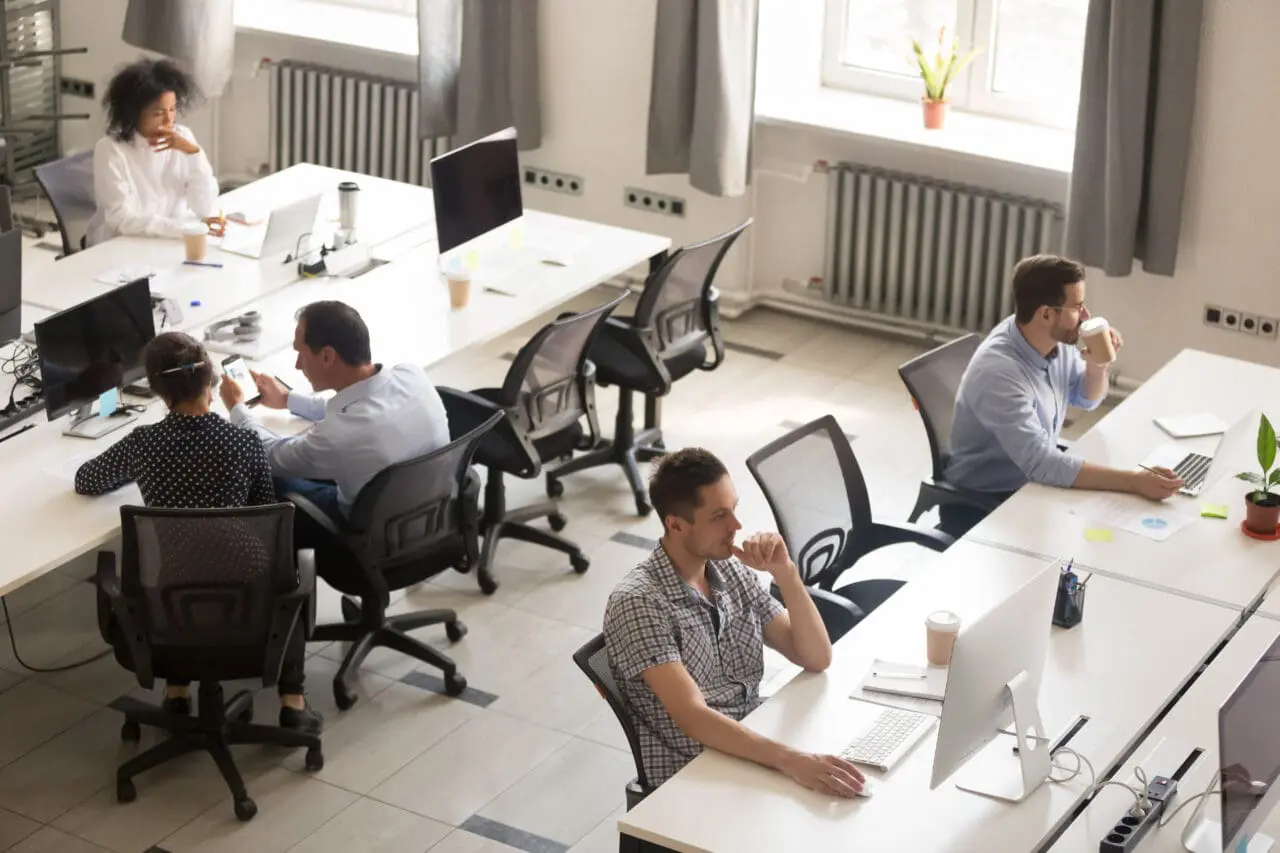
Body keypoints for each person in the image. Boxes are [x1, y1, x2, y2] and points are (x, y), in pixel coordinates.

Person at [75, 332, 321, 733]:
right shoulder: (244, 442)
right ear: (211, 380)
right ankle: (292, 700)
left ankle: (177, 692)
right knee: (286, 574)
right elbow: (265, 513)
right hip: (248, 596)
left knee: (184, 559)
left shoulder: (144, 443)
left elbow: (87, 480)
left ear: (157, 391)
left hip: (169, 597)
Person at [603, 448, 866, 797]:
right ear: (676, 524)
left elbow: (815, 657)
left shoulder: (728, 569)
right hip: (694, 777)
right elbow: (693, 717)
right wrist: (789, 760)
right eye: (719, 516)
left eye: (734, 509)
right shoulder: (639, 602)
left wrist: (785, 573)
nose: (736, 527)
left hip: (752, 745)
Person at [941, 254, 1182, 537]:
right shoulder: (1000, 373)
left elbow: (1085, 398)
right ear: (1046, 314)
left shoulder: (1049, 340)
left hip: (1030, 482)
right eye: (1077, 307)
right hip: (988, 503)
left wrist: (1097, 365)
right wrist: (1134, 481)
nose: (1086, 316)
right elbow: (1041, 463)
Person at [220, 301, 451, 587]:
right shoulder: (412, 376)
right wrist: (289, 400)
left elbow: (269, 454)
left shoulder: (339, 436)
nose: (297, 365)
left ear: (327, 356)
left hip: (366, 546)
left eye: (300, 354)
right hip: (430, 519)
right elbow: (355, 403)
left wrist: (237, 409)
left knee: (267, 480)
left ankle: (277, 600)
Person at [86, 58, 225, 247]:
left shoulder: (183, 137)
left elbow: (205, 206)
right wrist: (183, 229)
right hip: (121, 245)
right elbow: (121, 219)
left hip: (170, 242)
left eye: (173, 109)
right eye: (158, 113)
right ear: (133, 113)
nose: (169, 120)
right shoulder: (111, 149)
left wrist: (194, 153)